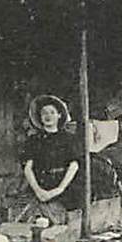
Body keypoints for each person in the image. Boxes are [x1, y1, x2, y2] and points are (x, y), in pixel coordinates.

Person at [17, 96, 81, 227]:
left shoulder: (68, 139)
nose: (48, 116)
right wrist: (38, 191)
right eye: (44, 113)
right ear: (40, 118)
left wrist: (59, 189)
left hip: (63, 188)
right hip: (40, 186)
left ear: (59, 115)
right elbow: (28, 168)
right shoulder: (33, 140)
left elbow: (73, 165)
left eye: (52, 112)